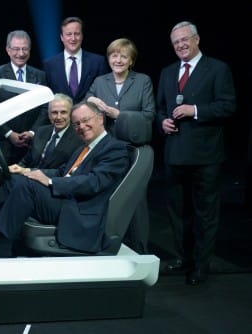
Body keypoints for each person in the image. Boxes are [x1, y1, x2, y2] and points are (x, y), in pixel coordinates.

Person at [0, 101, 130, 258]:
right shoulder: (84, 147)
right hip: (64, 198)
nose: (81, 127)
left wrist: (51, 182)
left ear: (100, 118)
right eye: (77, 124)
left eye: (85, 120)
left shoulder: (115, 149)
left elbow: (94, 182)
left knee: (26, 187)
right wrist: (28, 171)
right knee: (14, 180)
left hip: (78, 208)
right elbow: (61, 171)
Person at [156, 21, 236, 285]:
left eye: (184, 40)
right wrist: (162, 123)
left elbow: (227, 106)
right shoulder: (168, 72)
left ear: (197, 39)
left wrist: (195, 110)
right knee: (178, 212)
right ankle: (183, 259)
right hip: (175, 153)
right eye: (176, 42)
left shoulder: (218, 69)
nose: (180, 45)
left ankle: (201, 265)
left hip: (206, 155)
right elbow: (160, 110)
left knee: (205, 213)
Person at [0, 93, 82, 234]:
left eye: (63, 112)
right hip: (28, 181)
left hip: (50, 188)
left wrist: (25, 171)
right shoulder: (41, 131)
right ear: (48, 114)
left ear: (70, 114)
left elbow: (63, 172)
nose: (58, 117)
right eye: (54, 113)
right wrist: (16, 168)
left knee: (11, 185)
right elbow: (26, 159)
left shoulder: (78, 138)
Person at [85, 37, 156, 254]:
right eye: (114, 55)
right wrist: (91, 101)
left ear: (131, 60)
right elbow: (85, 105)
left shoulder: (142, 81)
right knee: (106, 197)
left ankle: (141, 251)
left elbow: (149, 114)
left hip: (133, 151)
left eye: (123, 56)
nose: (118, 59)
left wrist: (119, 115)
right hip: (106, 150)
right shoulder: (100, 82)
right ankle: (107, 248)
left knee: (136, 202)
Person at [0, 30, 48, 164]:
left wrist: (32, 132)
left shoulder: (40, 75)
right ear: (8, 50)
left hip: (32, 145)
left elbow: (45, 107)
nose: (20, 53)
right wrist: (9, 134)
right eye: (16, 49)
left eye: (25, 49)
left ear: (30, 50)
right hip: (4, 144)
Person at [43, 16, 109, 104]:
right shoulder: (49, 65)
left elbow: (104, 93)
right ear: (62, 37)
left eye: (77, 34)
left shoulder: (98, 62)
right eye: (69, 34)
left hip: (89, 116)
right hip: (60, 116)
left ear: (82, 36)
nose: (73, 38)